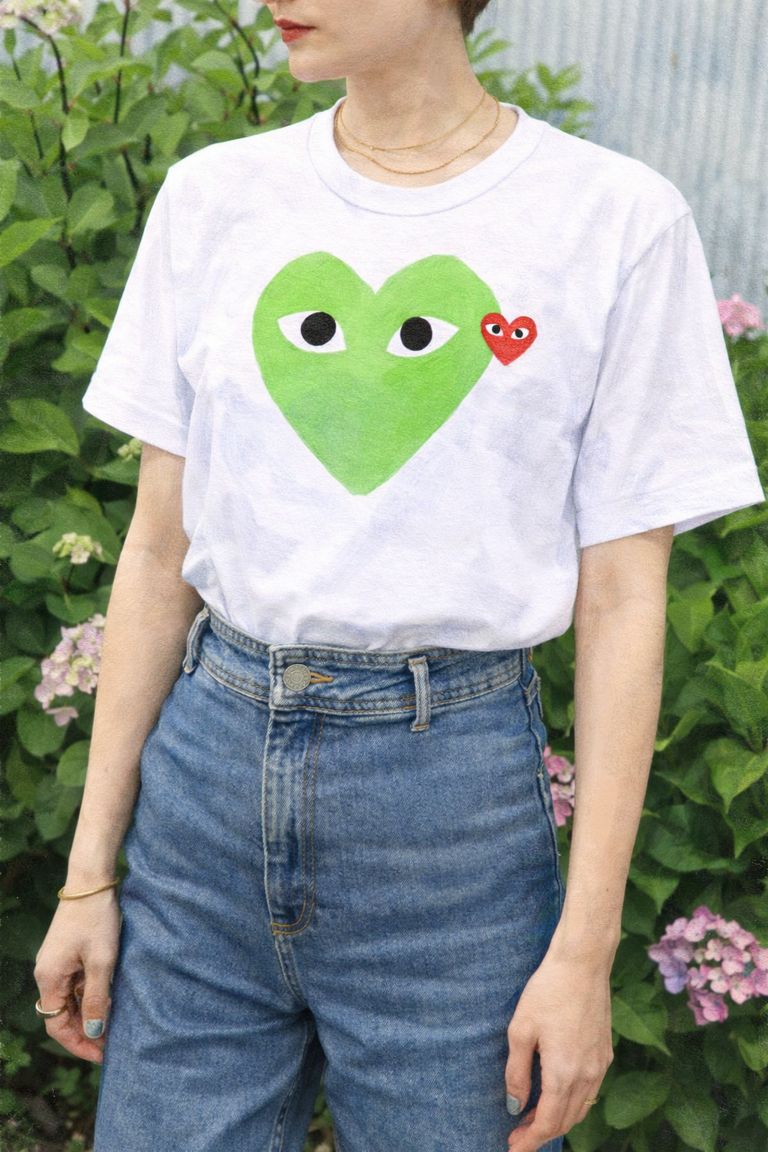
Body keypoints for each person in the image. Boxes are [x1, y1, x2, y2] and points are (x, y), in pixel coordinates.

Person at [33, 1, 765, 1150]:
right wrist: (89, 876)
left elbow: (626, 601)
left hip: (451, 819)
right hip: (206, 789)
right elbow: (158, 550)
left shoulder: (614, 220)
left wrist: (583, 953)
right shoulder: (216, 198)